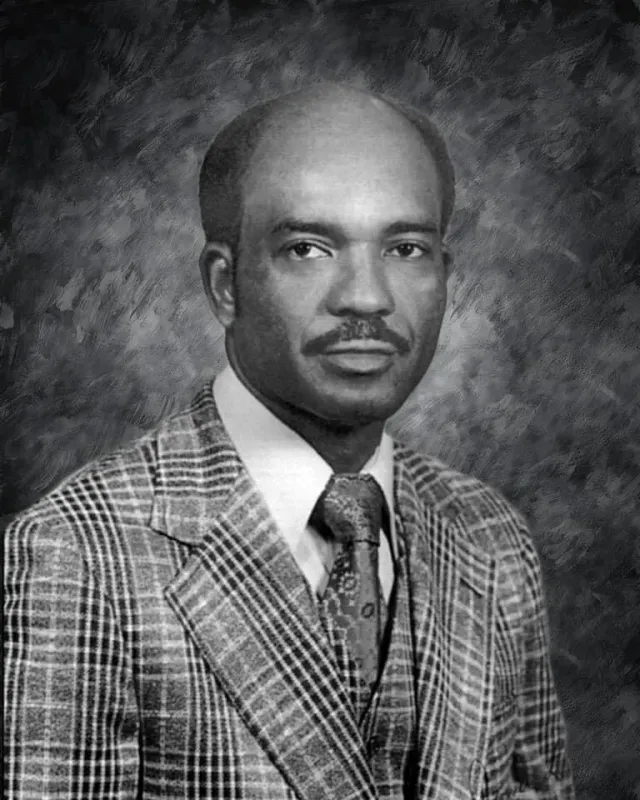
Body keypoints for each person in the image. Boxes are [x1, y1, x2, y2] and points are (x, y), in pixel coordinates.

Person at [3, 83, 574, 799]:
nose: (367, 297)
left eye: (405, 248)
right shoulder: (74, 558)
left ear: (444, 276)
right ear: (225, 285)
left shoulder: (493, 538)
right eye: (307, 248)